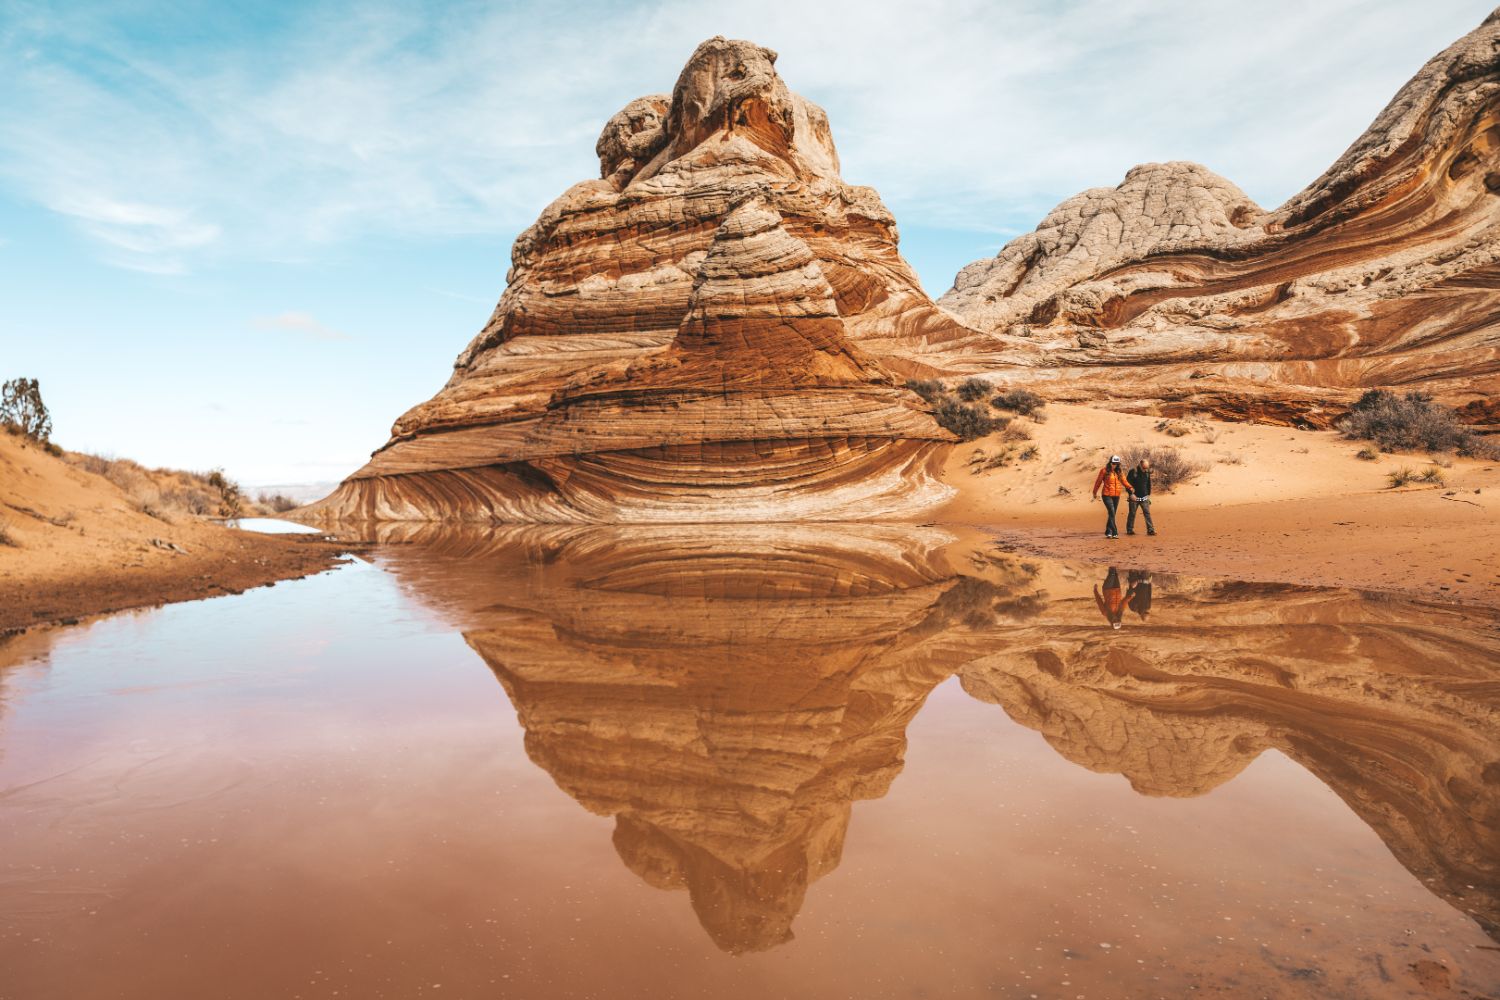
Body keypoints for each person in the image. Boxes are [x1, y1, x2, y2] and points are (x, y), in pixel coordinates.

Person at [1091, 455, 1133, 539]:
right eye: (1113, 463)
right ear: (1110, 462)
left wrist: (1130, 487)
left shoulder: (1119, 472)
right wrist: (1094, 492)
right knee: (1112, 512)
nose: (1115, 465)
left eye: (1117, 463)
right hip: (1106, 495)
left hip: (1116, 495)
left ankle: (1108, 531)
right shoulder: (1104, 471)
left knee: (1112, 514)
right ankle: (1114, 532)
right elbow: (1098, 482)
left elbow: (1124, 481)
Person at [1126, 457, 1156, 536]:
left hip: (1144, 497)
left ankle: (1150, 530)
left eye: (1147, 468)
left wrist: (1148, 494)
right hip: (1134, 497)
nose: (1145, 469)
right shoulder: (1133, 472)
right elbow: (1127, 484)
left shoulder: (1147, 472)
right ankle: (1129, 530)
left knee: (1147, 513)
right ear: (1140, 465)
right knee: (1132, 513)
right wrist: (1131, 494)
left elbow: (1148, 484)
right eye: (1144, 468)